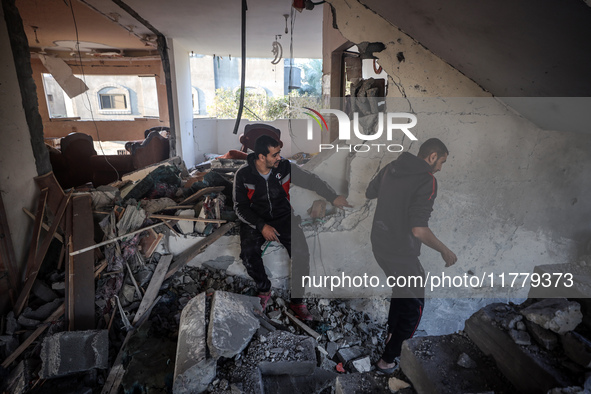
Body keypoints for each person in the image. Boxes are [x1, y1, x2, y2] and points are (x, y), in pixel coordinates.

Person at [233, 134, 351, 320]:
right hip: (255, 220)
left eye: (279, 153)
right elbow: (240, 207)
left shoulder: (285, 167)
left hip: (283, 217)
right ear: (261, 157)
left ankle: (297, 302)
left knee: (302, 254)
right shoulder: (243, 174)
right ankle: (264, 290)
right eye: (274, 155)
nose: (279, 158)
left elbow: (311, 180)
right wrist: (262, 226)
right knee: (248, 253)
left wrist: (333, 197)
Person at [365, 138, 457, 373]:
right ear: (433, 156)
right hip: (400, 252)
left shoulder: (390, 167)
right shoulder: (427, 180)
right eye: (442, 162)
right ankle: (387, 360)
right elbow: (418, 229)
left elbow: (369, 192)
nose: (440, 168)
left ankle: (390, 337)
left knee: (401, 291)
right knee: (413, 306)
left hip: (379, 245)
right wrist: (445, 250)